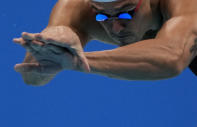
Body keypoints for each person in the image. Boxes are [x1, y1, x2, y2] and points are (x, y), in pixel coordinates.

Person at [13, 0, 197, 86]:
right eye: (102, 16)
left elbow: (172, 57)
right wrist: (51, 44)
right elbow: (32, 76)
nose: (116, 28)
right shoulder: (77, 8)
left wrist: (77, 61)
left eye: (127, 12)